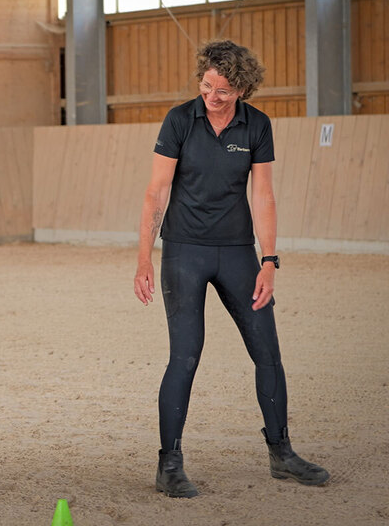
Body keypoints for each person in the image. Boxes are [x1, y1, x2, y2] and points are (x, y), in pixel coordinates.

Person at [133, 39, 329, 498]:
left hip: (238, 252)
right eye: (207, 85)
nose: (212, 96)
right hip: (184, 252)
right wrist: (145, 257)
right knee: (185, 356)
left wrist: (269, 260)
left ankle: (281, 453)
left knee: (268, 353)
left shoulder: (257, 126)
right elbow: (156, 193)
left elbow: (263, 196)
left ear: (241, 89)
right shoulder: (180, 119)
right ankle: (170, 464)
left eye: (223, 90)